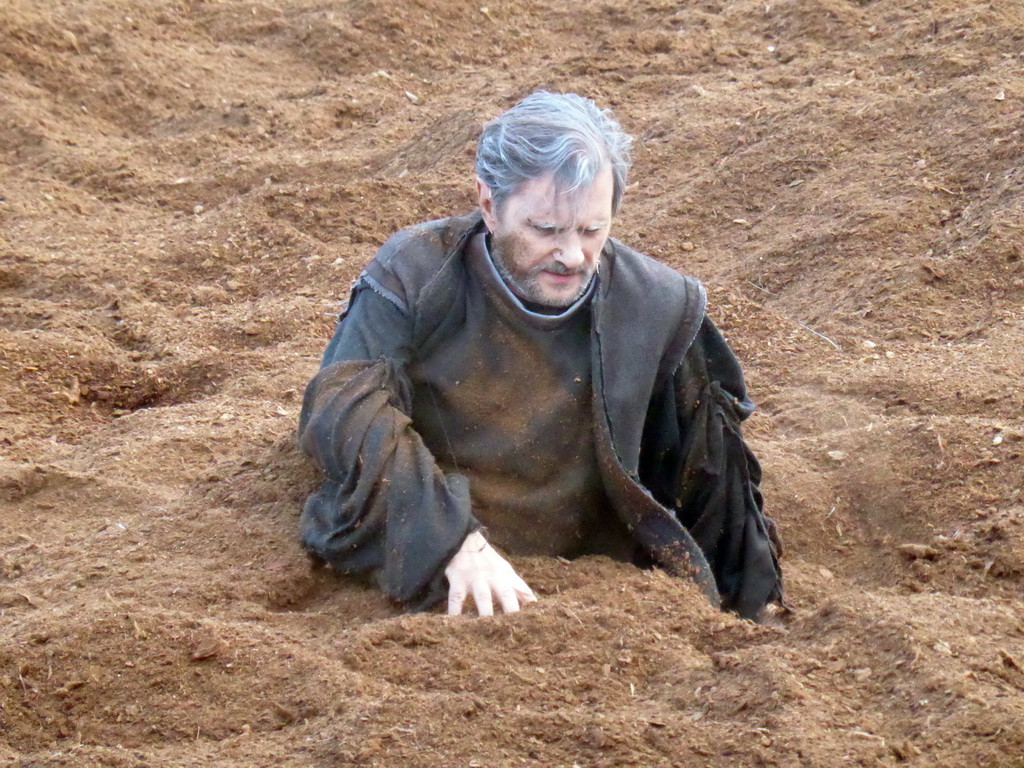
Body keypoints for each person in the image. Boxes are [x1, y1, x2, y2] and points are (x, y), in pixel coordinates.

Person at [298, 91, 783, 621]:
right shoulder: (416, 274)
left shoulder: (659, 306)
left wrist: (752, 607)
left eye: (592, 230)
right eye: (545, 230)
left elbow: (717, 480)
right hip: (444, 562)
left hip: (594, 585)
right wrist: (449, 541)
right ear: (488, 204)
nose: (572, 255)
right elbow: (345, 412)